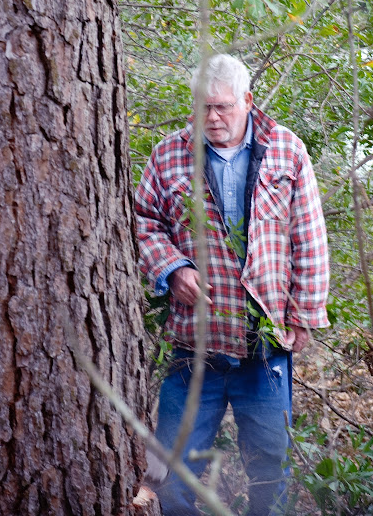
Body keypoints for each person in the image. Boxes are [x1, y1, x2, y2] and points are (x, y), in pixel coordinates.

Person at [136, 54, 329, 516]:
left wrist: (304, 314)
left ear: (247, 100)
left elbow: (309, 237)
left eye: (222, 106)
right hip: (194, 348)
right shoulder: (169, 154)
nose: (212, 117)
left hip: (265, 348)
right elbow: (144, 221)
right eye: (202, 107)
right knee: (169, 476)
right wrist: (172, 268)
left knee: (270, 475)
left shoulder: (286, 150)